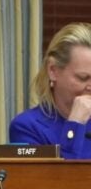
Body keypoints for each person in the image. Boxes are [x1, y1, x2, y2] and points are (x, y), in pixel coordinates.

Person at [9, 22, 91, 159]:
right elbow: (58, 179)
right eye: (83, 78)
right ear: (53, 71)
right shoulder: (26, 127)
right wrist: (75, 125)